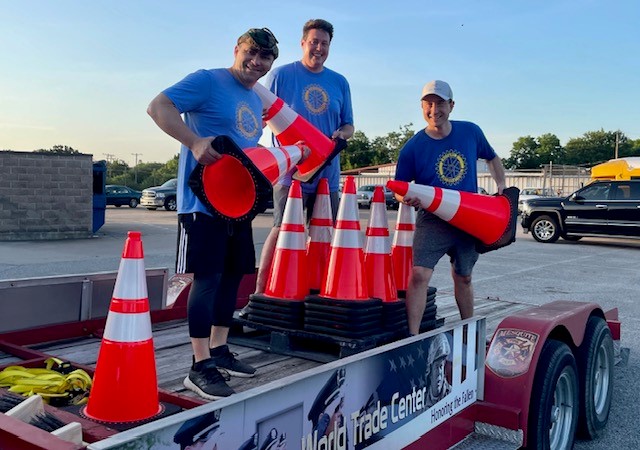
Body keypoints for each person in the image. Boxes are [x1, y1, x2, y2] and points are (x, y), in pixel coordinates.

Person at [147, 27, 279, 400]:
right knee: (207, 278)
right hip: (201, 203)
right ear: (236, 49)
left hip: (238, 207)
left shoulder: (254, 99)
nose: (257, 62)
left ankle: (220, 349)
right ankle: (199, 365)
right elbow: (158, 106)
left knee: (234, 274)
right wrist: (194, 141)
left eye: (265, 58)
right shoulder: (207, 81)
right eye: (251, 52)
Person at [395, 80, 506, 335]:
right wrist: (406, 199)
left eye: (440, 103)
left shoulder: (471, 132)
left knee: (463, 276)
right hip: (432, 219)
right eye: (429, 103)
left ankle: (468, 330)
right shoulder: (412, 147)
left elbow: (492, 157)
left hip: (469, 218)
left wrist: (501, 187)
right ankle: (412, 336)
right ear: (422, 107)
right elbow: (399, 188)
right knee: (420, 275)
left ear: (451, 105)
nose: (434, 110)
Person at [254, 18, 354, 294]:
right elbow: (259, 116)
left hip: (328, 175)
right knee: (280, 230)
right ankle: (260, 293)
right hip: (290, 173)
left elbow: (349, 124)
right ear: (303, 43)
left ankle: (318, 291)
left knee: (324, 235)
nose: (319, 48)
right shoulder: (281, 76)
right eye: (314, 42)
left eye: (324, 43)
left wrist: (341, 136)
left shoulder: (340, 82)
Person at [425, 333, 452, 407]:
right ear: (430, 370)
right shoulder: (422, 397)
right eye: (436, 367)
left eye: (441, 366)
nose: (440, 372)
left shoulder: (451, 393)